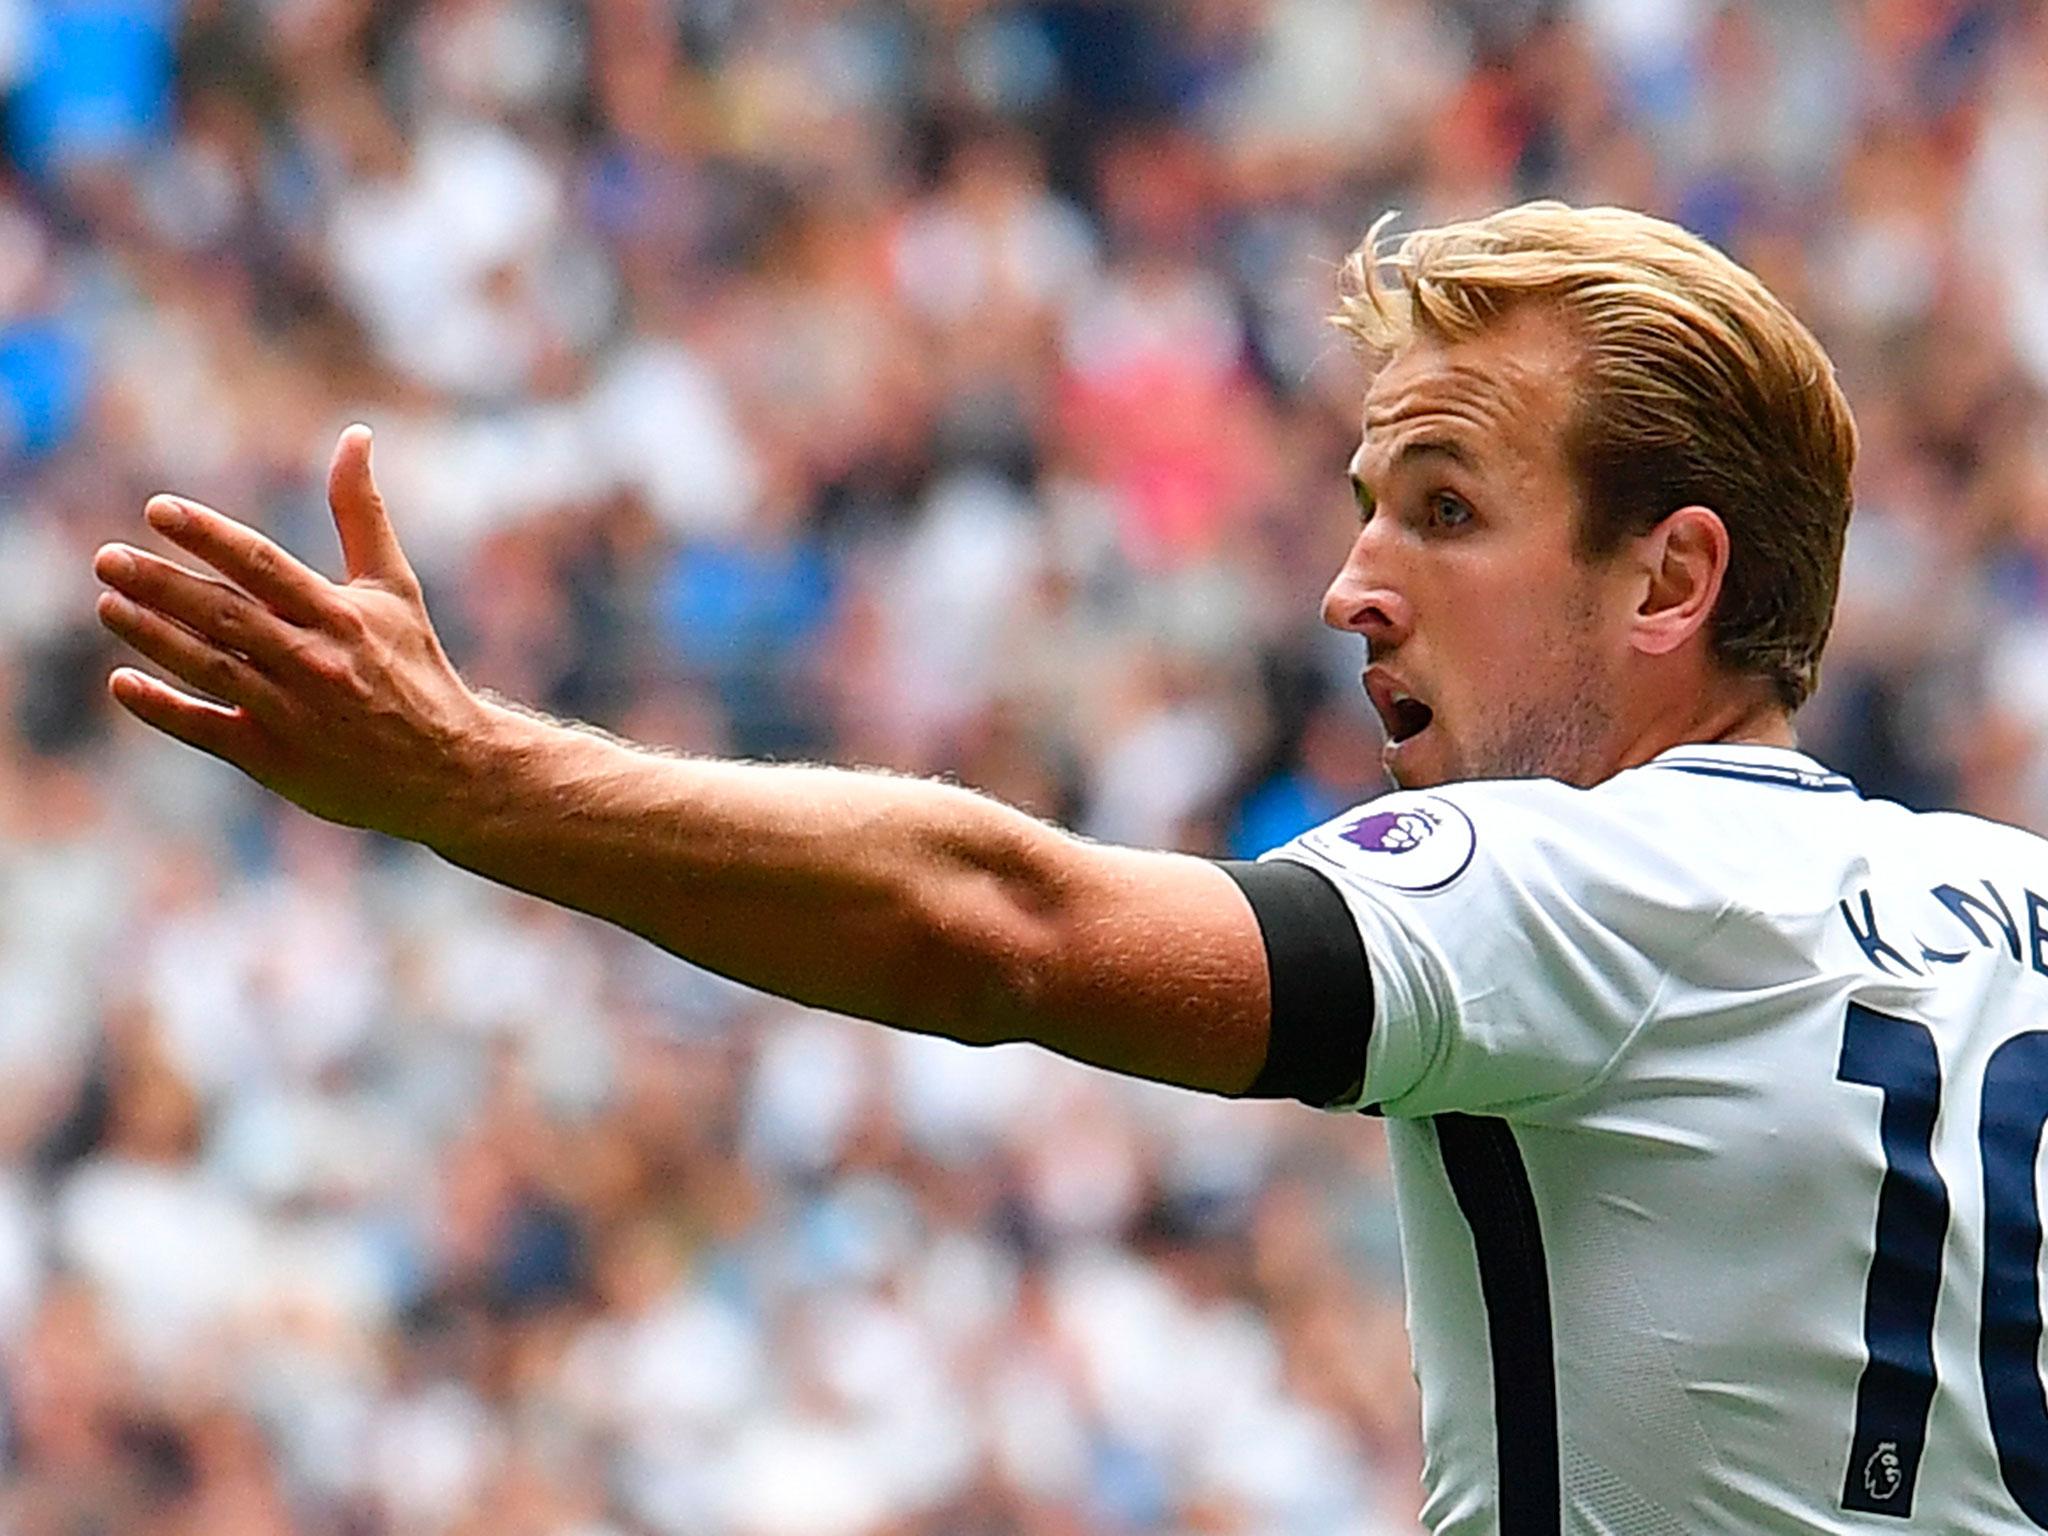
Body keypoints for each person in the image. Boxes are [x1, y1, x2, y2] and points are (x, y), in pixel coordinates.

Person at [91, 201, 2048, 1534]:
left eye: (1445, 511)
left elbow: (1002, 923)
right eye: (1366, 507)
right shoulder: (2016, 909)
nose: (1351, 583)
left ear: (1669, 579)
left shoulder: (1587, 882)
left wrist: (471, 775)